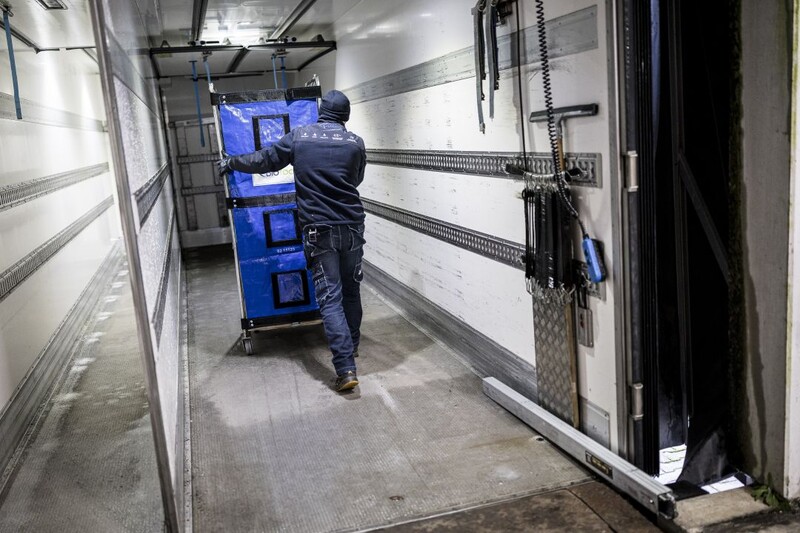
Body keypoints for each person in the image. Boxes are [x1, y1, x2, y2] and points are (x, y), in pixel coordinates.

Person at [218, 90, 366, 393]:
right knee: (351, 292)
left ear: (321, 112)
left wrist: (232, 162)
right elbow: (356, 179)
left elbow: (264, 160)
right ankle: (352, 347)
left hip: (320, 230)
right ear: (346, 117)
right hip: (352, 227)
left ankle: (345, 368)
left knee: (331, 299)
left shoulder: (300, 136)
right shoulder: (355, 143)